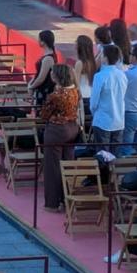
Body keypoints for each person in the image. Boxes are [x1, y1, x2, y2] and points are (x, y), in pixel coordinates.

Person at [40, 64, 81, 212]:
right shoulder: (75, 91)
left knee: (52, 168)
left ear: (57, 76)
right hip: (72, 128)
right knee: (67, 164)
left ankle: (52, 203)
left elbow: (44, 114)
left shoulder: (56, 95)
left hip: (56, 131)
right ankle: (66, 199)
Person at [90, 44, 127, 151]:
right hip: (119, 121)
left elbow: (94, 103)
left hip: (103, 121)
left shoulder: (100, 76)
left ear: (105, 58)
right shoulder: (122, 75)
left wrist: (95, 114)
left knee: (103, 156)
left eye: (101, 55)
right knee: (115, 156)